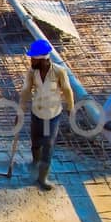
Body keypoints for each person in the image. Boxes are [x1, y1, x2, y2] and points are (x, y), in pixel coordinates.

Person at [19, 38, 74, 191]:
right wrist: (20, 110)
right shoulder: (32, 73)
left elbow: (68, 91)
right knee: (35, 141)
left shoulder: (58, 72)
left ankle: (42, 178)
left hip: (53, 115)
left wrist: (71, 108)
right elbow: (25, 91)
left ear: (42, 60)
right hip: (37, 112)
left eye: (32, 58)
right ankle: (35, 162)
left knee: (48, 145)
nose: (30, 60)